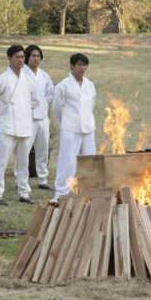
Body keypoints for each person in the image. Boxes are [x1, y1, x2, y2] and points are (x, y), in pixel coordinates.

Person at [0, 45, 37, 206]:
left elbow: (35, 99)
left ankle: (24, 192)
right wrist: (5, 107)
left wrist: (25, 108)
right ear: (9, 58)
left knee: (23, 163)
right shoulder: (2, 78)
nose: (21, 60)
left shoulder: (28, 78)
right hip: (7, 125)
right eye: (17, 57)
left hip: (24, 125)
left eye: (23, 57)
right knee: (1, 161)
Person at [52, 53, 97, 202]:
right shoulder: (62, 86)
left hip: (88, 129)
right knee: (68, 162)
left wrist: (87, 122)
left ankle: (88, 192)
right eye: (79, 65)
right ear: (72, 66)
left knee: (90, 161)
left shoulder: (90, 85)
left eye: (85, 65)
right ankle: (60, 193)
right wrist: (65, 124)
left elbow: (91, 105)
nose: (82, 68)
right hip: (70, 129)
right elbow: (56, 109)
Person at [22, 45, 54, 189]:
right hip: (27, 117)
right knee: (24, 149)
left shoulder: (44, 75)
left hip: (42, 117)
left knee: (43, 149)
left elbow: (50, 93)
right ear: (27, 58)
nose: (36, 59)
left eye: (38, 56)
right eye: (33, 56)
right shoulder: (22, 73)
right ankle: (21, 179)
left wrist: (43, 104)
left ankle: (43, 179)